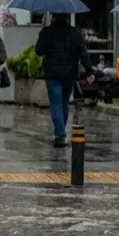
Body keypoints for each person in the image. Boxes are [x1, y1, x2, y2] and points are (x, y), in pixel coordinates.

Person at [36, 14, 95, 147]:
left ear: (53, 17)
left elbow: (38, 50)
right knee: (63, 102)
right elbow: (82, 53)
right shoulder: (75, 33)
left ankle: (60, 134)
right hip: (69, 73)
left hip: (52, 73)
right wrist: (89, 71)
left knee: (56, 103)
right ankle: (61, 132)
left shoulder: (47, 32)